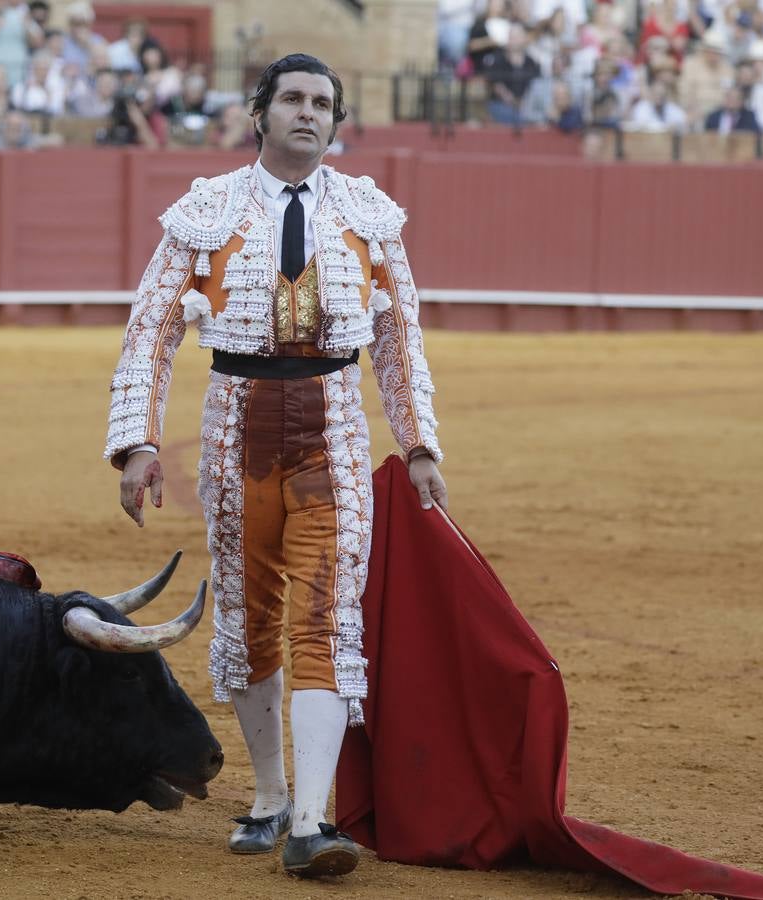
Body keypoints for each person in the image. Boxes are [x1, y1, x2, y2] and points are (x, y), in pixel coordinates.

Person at [104, 52, 445, 880]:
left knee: (326, 617)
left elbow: (400, 342)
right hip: (235, 430)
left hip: (334, 428)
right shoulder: (207, 208)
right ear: (260, 114)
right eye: (291, 99)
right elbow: (151, 328)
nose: (307, 113)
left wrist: (421, 443)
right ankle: (268, 796)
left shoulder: (370, 213)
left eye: (322, 103)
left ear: (335, 121)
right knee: (250, 618)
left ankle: (310, 820)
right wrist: (137, 440)